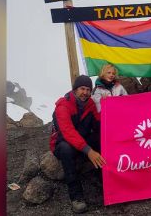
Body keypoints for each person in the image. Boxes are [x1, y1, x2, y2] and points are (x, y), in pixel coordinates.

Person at [50, 75, 106, 214]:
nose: (85, 93)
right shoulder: (63, 105)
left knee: (101, 138)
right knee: (66, 149)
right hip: (62, 143)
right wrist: (89, 151)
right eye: (82, 89)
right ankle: (77, 197)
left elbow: (98, 124)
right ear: (75, 89)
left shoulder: (90, 104)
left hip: (82, 142)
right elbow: (67, 132)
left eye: (88, 89)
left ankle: (107, 182)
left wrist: (107, 107)